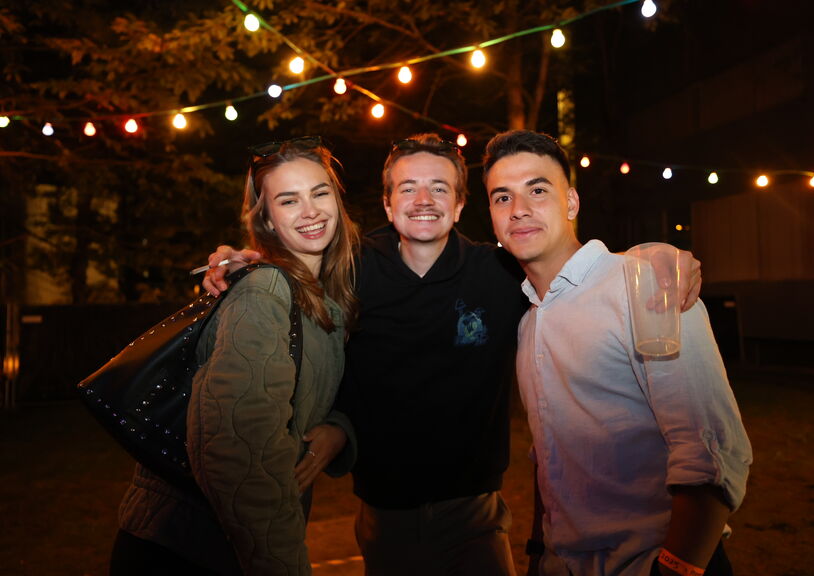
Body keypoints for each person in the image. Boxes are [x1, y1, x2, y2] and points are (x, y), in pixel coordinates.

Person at [203, 133, 704, 576]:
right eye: (408, 188)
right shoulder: (350, 270)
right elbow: (297, 289)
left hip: (477, 513)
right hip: (384, 513)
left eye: (439, 188)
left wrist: (649, 256)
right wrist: (243, 260)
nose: (424, 200)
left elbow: (569, 270)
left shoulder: (502, 273)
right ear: (387, 204)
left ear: (461, 205)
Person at [482, 129, 753, 576]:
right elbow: (549, 456)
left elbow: (710, 453)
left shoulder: (649, 286)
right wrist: (537, 552)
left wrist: (674, 569)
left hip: (652, 563)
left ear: (571, 202)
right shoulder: (529, 322)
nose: (519, 209)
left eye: (538, 190)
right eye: (502, 197)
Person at [110, 137, 360, 576]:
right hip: (189, 549)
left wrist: (338, 428)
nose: (310, 211)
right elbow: (237, 455)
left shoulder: (326, 295)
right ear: (266, 220)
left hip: (228, 544)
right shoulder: (265, 291)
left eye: (319, 193)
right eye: (288, 200)